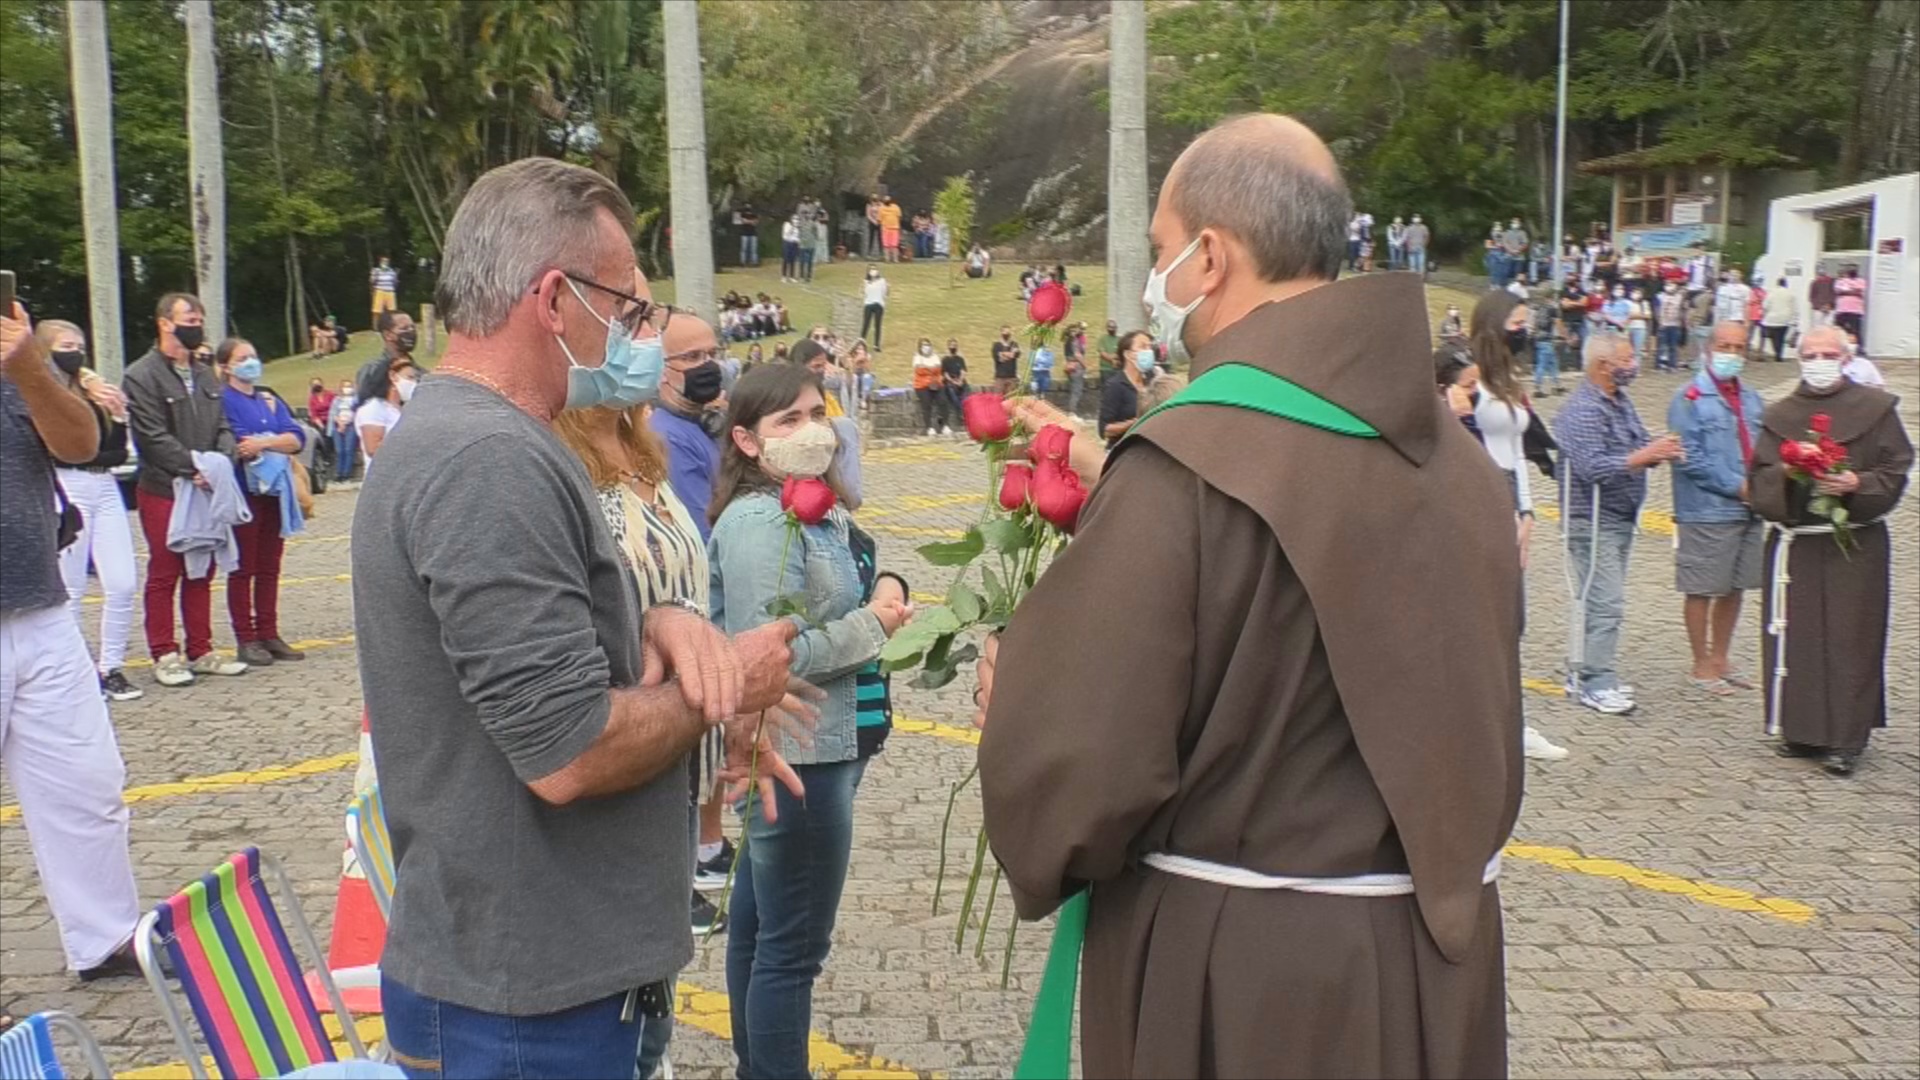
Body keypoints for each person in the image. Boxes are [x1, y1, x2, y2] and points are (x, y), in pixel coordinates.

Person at [976, 114, 1519, 1080]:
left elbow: (1081, 774)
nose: (1157, 282)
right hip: (1441, 968)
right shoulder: (1464, 468)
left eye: (1158, 252)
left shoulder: (1190, 464)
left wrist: (1014, 702)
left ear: (1210, 257)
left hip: (1245, 986)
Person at [356, 158, 813, 1078]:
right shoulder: (489, 460)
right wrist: (729, 686)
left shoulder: (488, 442)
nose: (636, 331)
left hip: (539, 981)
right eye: (626, 305)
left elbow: (522, 657)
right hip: (524, 1002)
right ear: (555, 299)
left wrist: (660, 625)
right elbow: (569, 752)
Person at [707, 364, 911, 1080]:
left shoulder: (815, 509)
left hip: (820, 744)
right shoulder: (763, 521)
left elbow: (855, 578)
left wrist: (889, 585)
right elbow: (770, 659)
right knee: (791, 949)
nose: (809, 430)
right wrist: (876, 623)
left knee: (762, 927)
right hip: (802, 751)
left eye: (815, 413)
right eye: (786, 421)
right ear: (746, 440)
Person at [551, 386, 723, 1076]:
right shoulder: (561, 461)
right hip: (626, 735)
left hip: (680, 743)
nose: (644, 347)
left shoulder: (645, 450)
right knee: (625, 980)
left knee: (662, 955)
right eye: (638, 323)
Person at [1, 298, 147, 981]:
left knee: (88, 784)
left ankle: (106, 936)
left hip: (40, 605)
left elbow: (83, 445)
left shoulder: (16, 367)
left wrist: (26, 363)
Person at [1749, 326, 1911, 776]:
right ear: (1799, 359)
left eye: (1828, 353)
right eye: (1810, 354)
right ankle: (1801, 730)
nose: (1818, 361)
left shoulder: (1876, 409)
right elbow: (1758, 475)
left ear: (1845, 358)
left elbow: (1895, 467)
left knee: (1849, 639)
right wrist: (1786, 467)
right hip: (1799, 543)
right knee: (1797, 637)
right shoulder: (1780, 413)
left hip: (1854, 544)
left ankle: (1845, 739)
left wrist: (1858, 483)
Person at [122, 292, 248, 689]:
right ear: (164, 322)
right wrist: (192, 466)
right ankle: (164, 652)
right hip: (165, 487)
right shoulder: (141, 375)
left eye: (199, 318)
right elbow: (151, 435)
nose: (195, 325)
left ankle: (202, 648)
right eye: (188, 317)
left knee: (202, 567)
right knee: (165, 569)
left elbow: (223, 425)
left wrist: (220, 463)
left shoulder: (207, 374)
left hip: (208, 485)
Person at [1558, 332, 1685, 715]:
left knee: (1597, 600)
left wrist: (1658, 449)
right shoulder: (1582, 410)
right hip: (1592, 518)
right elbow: (1593, 466)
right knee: (1605, 603)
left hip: (1620, 517)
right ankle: (1596, 680)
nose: (1634, 366)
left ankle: (1582, 671)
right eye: (1627, 360)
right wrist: (1644, 454)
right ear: (1602, 366)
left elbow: (1637, 444)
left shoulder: (1620, 402)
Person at [1466, 291, 1567, 760]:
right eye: (1518, 321)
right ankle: (1484, 720)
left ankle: (1510, 719)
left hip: (1510, 493)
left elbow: (1520, 452)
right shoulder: (1467, 379)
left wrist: (1525, 512)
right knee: (1482, 617)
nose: (1525, 330)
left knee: (1511, 619)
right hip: (1476, 494)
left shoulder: (1507, 380)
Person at [38, 321, 143, 702]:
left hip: (104, 484)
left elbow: (116, 452)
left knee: (122, 581)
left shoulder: (93, 390)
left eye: (80, 345)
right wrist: (92, 451)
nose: (76, 352)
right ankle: (73, 671)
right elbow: (62, 451)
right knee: (71, 585)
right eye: (67, 345)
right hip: (69, 484)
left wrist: (117, 416)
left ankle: (110, 666)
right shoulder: (45, 395)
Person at [1667, 323, 1765, 698]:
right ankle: (1700, 663)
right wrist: (1735, 485)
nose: (1732, 353)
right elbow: (1687, 455)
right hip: (1706, 509)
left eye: (1738, 347)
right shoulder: (1689, 397)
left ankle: (1721, 657)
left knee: (1734, 587)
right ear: (1709, 349)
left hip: (1749, 509)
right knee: (1702, 587)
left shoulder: (1752, 398)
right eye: (1724, 346)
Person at [215, 337, 308, 668]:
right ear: (225, 366)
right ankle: (246, 636)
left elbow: (296, 436)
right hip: (245, 492)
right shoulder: (223, 400)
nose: (251, 363)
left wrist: (266, 442)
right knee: (244, 567)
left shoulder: (268, 398)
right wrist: (273, 442)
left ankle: (269, 631)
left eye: (253, 356)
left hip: (275, 493)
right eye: (242, 358)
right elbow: (240, 443)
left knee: (270, 565)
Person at [1098, 329, 1155, 447]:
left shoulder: (1153, 381)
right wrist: (1134, 423)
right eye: (1143, 347)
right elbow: (1105, 430)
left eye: (1150, 347)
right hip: (1124, 451)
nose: (1148, 351)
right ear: (1128, 354)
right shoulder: (1115, 386)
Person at [353, 357, 415, 462]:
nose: (414, 383)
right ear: (393, 376)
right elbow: (373, 449)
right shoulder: (374, 408)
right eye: (409, 377)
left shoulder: (402, 409)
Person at [1528, 277, 1563, 395]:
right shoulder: (1552, 308)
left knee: (1552, 362)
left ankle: (1556, 384)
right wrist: (1565, 336)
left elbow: (1533, 322)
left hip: (1538, 338)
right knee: (1543, 364)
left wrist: (1532, 333)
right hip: (1547, 338)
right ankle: (1537, 387)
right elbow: (1558, 323)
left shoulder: (1537, 307)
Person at [912, 338, 946, 436]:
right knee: (926, 403)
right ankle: (929, 427)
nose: (926, 347)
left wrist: (926, 368)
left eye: (927, 345)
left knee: (943, 401)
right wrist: (931, 369)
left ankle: (944, 426)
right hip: (921, 385)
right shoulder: (917, 357)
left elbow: (938, 369)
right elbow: (919, 371)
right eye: (923, 345)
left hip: (936, 383)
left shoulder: (935, 357)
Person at [1760, 277, 1797, 362]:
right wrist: (1794, 320)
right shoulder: (1790, 294)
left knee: (1773, 337)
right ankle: (1779, 354)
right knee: (1781, 338)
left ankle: (1776, 352)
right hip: (1784, 319)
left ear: (1777, 283)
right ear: (1786, 284)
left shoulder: (1771, 293)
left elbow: (1765, 306)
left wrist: (1764, 314)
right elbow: (1794, 308)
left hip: (1771, 319)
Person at [328, 379, 359, 482]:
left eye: (349, 386)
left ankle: (346, 474)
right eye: (345, 386)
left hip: (350, 426)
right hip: (338, 427)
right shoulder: (336, 400)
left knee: (348, 450)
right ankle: (338, 473)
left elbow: (356, 412)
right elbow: (333, 413)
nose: (347, 388)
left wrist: (346, 423)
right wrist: (340, 423)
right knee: (339, 451)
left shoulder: (356, 400)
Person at [1656, 280, 1688, 372]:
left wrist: (1683, 322)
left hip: (1675, 324)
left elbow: (1682, 309)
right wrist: (1660, 322)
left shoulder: (1680, 297)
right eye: (1668, 285)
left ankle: (1672, 365)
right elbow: (1659, 310)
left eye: (1673, 284)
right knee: (1662, 346)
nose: (1670, 286)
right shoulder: (1661, 296)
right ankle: (1660, 365)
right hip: (1664, 324)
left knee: (1673, 346)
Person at [940, 337, 969, 430]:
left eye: (955, 345)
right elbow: (945, 374)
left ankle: (965, 411)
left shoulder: (960, 359)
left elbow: (963, 371)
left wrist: (960, 380)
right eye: (951, 345)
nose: (953, 347)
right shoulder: (945, 360)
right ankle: (961, 413)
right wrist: (953, 381)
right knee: (952, 393)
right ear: (948, 347)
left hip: (959, 379)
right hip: (950, 381)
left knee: (966, 393)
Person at [1833, 263, 1866, 342]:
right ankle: (1839, 347)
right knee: (1839, 330)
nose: (1852, 270)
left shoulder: (1861, 281)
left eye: (1854, 269)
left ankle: (1858, 348)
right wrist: (1852, 291)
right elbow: (1839, 292)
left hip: (1855, 310)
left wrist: (1846, 291)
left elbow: (1859, 291)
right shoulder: (1840, 281)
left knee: (1855, 330)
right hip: (1842, 309)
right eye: (1850, 268)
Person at [1063, 321, 1088, 413]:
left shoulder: (1066, 341)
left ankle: (1071, 410)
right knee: (1077, 390)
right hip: (1076, 367)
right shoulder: (1074, 341)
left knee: (1073, 388)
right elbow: (1078, 355)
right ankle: (1072, 412)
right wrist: (1085, 365)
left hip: (1069, 366)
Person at [990, 325, 1022, 396]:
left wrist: (1004, 354)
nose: (1007, 334)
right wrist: (1009, 354)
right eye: (1005, 332)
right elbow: (997, 357)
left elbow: (1016, 354)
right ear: (1001, 333)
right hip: (1000, 377)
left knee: (1010, 398)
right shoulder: (996, 345)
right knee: (997, 398)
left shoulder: (1014, 344)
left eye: (1008, 332)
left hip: (1012, 376)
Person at [860, 266, 887, 349]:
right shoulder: (866, 282)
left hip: (878, 304)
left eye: (875, 269)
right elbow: (863, 292)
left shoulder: (882, 281)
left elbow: (885, 292)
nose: (873, 271)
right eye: (871, 269)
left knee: (877, 324)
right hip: (868, 304)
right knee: (866, 324)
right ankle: (861, 342)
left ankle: (876, 344)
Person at [370, 255, 399, 324]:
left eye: (386, 261)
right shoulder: (376, 271)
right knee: (377, 311)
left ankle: (392, 324)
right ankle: (376, 327)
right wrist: (373, 276)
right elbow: (372, 281)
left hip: (390, 291)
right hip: (380, 291)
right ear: (380, 262)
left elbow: (395, 282)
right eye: (383, 261)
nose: (385, 263)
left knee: (392, 310)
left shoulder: (392, 272)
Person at [1626, 287, 1652, 362]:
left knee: (1637, 351)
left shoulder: (1644, 303)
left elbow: (1648, 315)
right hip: (1628, 328)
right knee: (1628, 351)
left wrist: (1634, 315)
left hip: (1640, 329)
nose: (1636, 295)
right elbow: (1627, 315)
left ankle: (1635, 370)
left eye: (1638, 293)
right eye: (1634, 292)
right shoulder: (1627, 303)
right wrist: (1641, 315)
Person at [795, 208, 820, 283]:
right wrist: (799, 241)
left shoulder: (812, 223)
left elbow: (816, 233)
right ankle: (802, 276)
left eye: (807, 214)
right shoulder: (800, 224)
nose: (806, 215)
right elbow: (799, 234)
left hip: (811, 244)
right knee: (802, 261)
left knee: (809, 261)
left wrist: (815, 239)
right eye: (804, 214)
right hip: (803, 245)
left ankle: (808, 276)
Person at [877, 195, 903, 263]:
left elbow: (899, 217)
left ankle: (895, 259)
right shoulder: (881, 208)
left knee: (894, 245)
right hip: (885, 229)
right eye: (885, 200)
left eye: (888, 200)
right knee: (886, 245)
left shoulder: (896, 207)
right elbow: (879, 219)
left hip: (895, 229)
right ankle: (887, 259)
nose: (887, 201)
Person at [737, 203, 760, 267]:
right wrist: (751, 221)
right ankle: (743, 262)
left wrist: (748, 221)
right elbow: (743, 221)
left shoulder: (754, 214)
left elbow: (756, 222)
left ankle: (754, 262)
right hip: (744, 233)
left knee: (753, 249)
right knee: (744, 249)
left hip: (753, 234)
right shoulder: (742, 214)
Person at [780, 216, 801, 282]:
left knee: (793, 260)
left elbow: (797, 237)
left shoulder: (797, 228)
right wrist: (792, 227)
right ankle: (784, 276)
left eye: (797, 219)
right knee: (786, 260)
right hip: (787, 243)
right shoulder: (787, 224)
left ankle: (792, 276)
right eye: (794, 219)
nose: (796, 221)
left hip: (794, 244)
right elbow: (786, 234)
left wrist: (798, 242)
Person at [863, 194, 883, 259]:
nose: (874, 200)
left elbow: (882, 212)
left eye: (876, 199)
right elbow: (868, 215)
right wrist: (874, 221)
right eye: (873, 199)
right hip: (872, 222)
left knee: (880, 238)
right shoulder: (869, 205)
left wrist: (879, 220)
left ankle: (881, 253)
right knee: (871, 237)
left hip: (879, 222)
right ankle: (869, 253)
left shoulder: (880, 204)